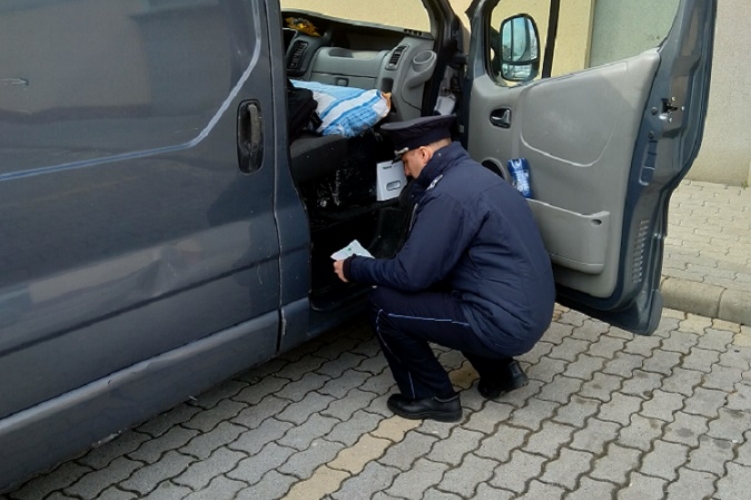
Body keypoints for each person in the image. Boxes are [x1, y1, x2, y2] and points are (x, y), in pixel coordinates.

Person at [333, 115, 555, 422]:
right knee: (449, 288)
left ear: (424, 153)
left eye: (405, 161)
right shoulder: (477, 176)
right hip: (530, 312)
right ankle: (502, 372)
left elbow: (408, 275)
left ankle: (433, 397)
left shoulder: (447, 196)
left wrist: (355, 266)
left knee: (383, 306)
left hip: (503, 323)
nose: (406, 171)